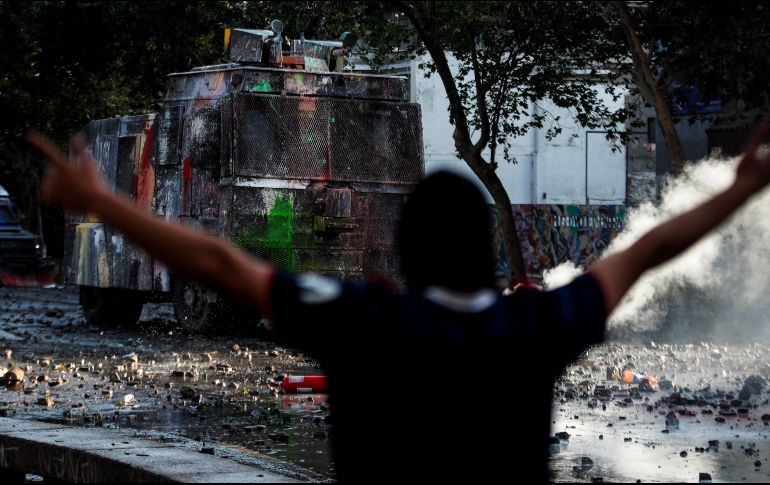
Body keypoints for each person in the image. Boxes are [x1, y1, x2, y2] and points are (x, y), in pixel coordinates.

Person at [27, 123, 770, 481]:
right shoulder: (537, 324)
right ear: (488, 257)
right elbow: (641, 254)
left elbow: (221, 262)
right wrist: (739, 189)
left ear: (406, 253)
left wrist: (102, 202)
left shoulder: (364, 322)